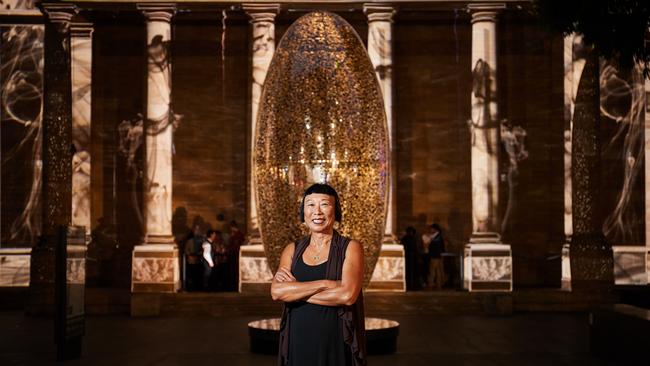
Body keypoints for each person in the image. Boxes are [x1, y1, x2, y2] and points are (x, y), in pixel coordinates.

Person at [271, 183, 366, 366]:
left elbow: (347, 295)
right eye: (310, 204)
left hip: (335, 342)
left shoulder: (351, 247)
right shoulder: (292, 249)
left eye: (324, 204)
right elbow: (277, 292)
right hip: (298, 342)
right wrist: (326, 283)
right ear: (303, 212)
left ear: (335, 210)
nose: (317, 212)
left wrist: (295, 292)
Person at [425, 224, 446, 290]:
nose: (430, 230)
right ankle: (439, 284)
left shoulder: (437, 237)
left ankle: (431, 284)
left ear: (435, 229)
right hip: (437, 255)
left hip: (435, 255)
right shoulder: (437, 237)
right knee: (438, 270)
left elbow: (434, 245)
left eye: (431, 229)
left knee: (433, 270)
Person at [400, 226, 420, 290]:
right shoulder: (408, 238)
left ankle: (412, 285)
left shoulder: (410, 238)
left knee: (412, 272)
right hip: (409, 257)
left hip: (411, 257)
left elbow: (415, 248)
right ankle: (411, 286)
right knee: (410, 272)